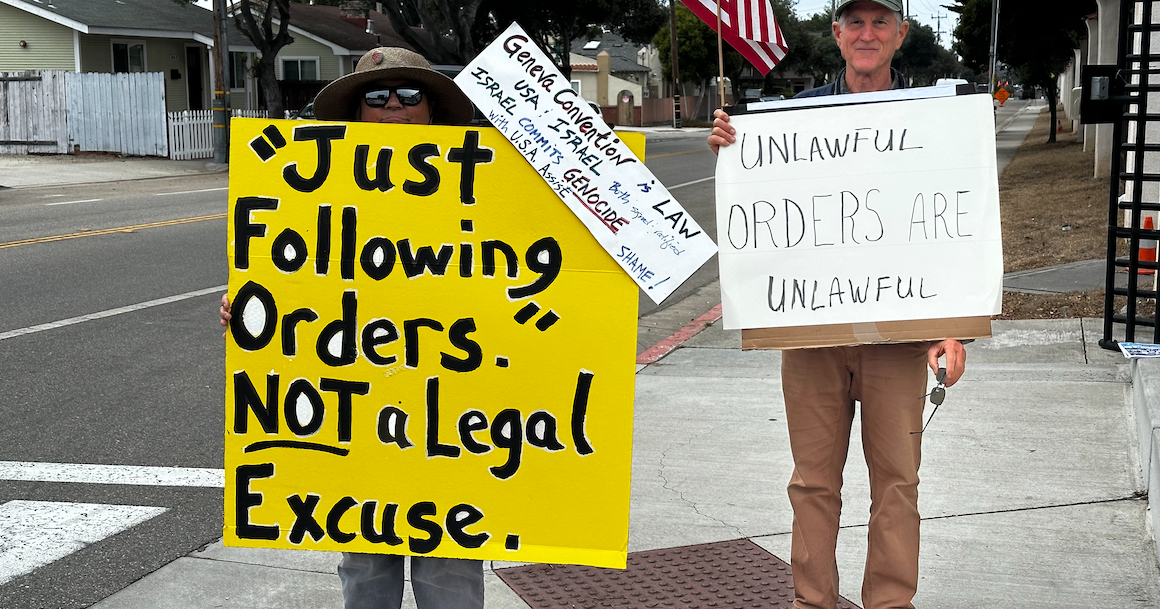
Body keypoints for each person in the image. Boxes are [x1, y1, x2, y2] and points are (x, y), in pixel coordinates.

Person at [708, 2, 966, 608]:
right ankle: (812, 602)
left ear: (902, 33)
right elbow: (765, 203)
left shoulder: (935, 120)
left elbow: (953, 225)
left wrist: (951, 329)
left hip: (899, 335)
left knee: (897, 486)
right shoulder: (795, 120)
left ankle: (888, 603)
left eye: (880, 22)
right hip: (813, 334)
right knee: (813, 486)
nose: (867, 35)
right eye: (855, 23)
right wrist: (731, 153)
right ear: (836, 34)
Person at [220, 47, 483, 609]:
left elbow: (596, 225)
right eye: (377, 95)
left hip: (456, 417)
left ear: (431, 109)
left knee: (451, 579)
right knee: (364, 577)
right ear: (357, 112)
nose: (393, 106)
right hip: (358, 417)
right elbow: (287, 275)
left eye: (409, 95)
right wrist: (249, 312)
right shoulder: (316, 187)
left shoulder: (490, 184)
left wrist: (725, 155)